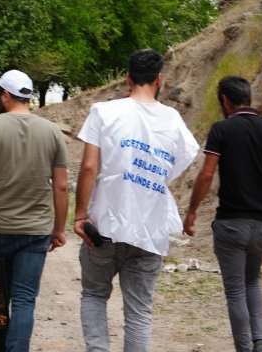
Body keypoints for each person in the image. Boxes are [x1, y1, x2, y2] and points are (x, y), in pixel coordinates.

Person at [73, 49, 199, 352]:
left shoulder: (103, 112)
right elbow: (179, 163)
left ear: (128, 78)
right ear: (159, 79)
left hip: (103, 225)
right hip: (150, 228)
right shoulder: (173, 120)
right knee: (139, 312)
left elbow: (89, 167)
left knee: (94, 295)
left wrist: (80, 215)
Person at [182, 76, 262, 352]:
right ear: (248, 98)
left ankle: (244, 349)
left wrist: (191, 212)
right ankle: (260, 342)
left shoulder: (222, 129)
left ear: (225, 100)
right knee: (252, 281)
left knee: (235, 289)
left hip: (231, 223)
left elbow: (206, 175)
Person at [0, 69, 70, 352]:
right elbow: (61, 186)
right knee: (24, 299)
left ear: (5, 95)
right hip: (36, 231)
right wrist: (59, 229)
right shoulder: (52, 132)